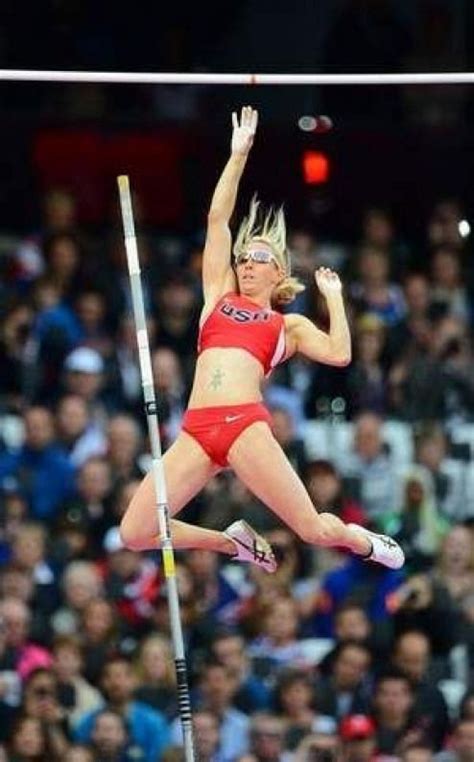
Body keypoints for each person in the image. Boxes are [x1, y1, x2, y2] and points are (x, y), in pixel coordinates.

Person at [120, 106, 404, 573]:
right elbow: (217, 221)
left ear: (280, 273)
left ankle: (363, 540)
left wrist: (334, 298)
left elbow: (340, 353)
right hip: (196, 429)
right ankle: (233, 544)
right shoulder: (217, 297)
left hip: (242, 425)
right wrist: (238, 155)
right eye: (244, 257)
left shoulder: (285, 325)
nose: (247, 263)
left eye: (258, 258)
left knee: (312, 529)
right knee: (136, 532)